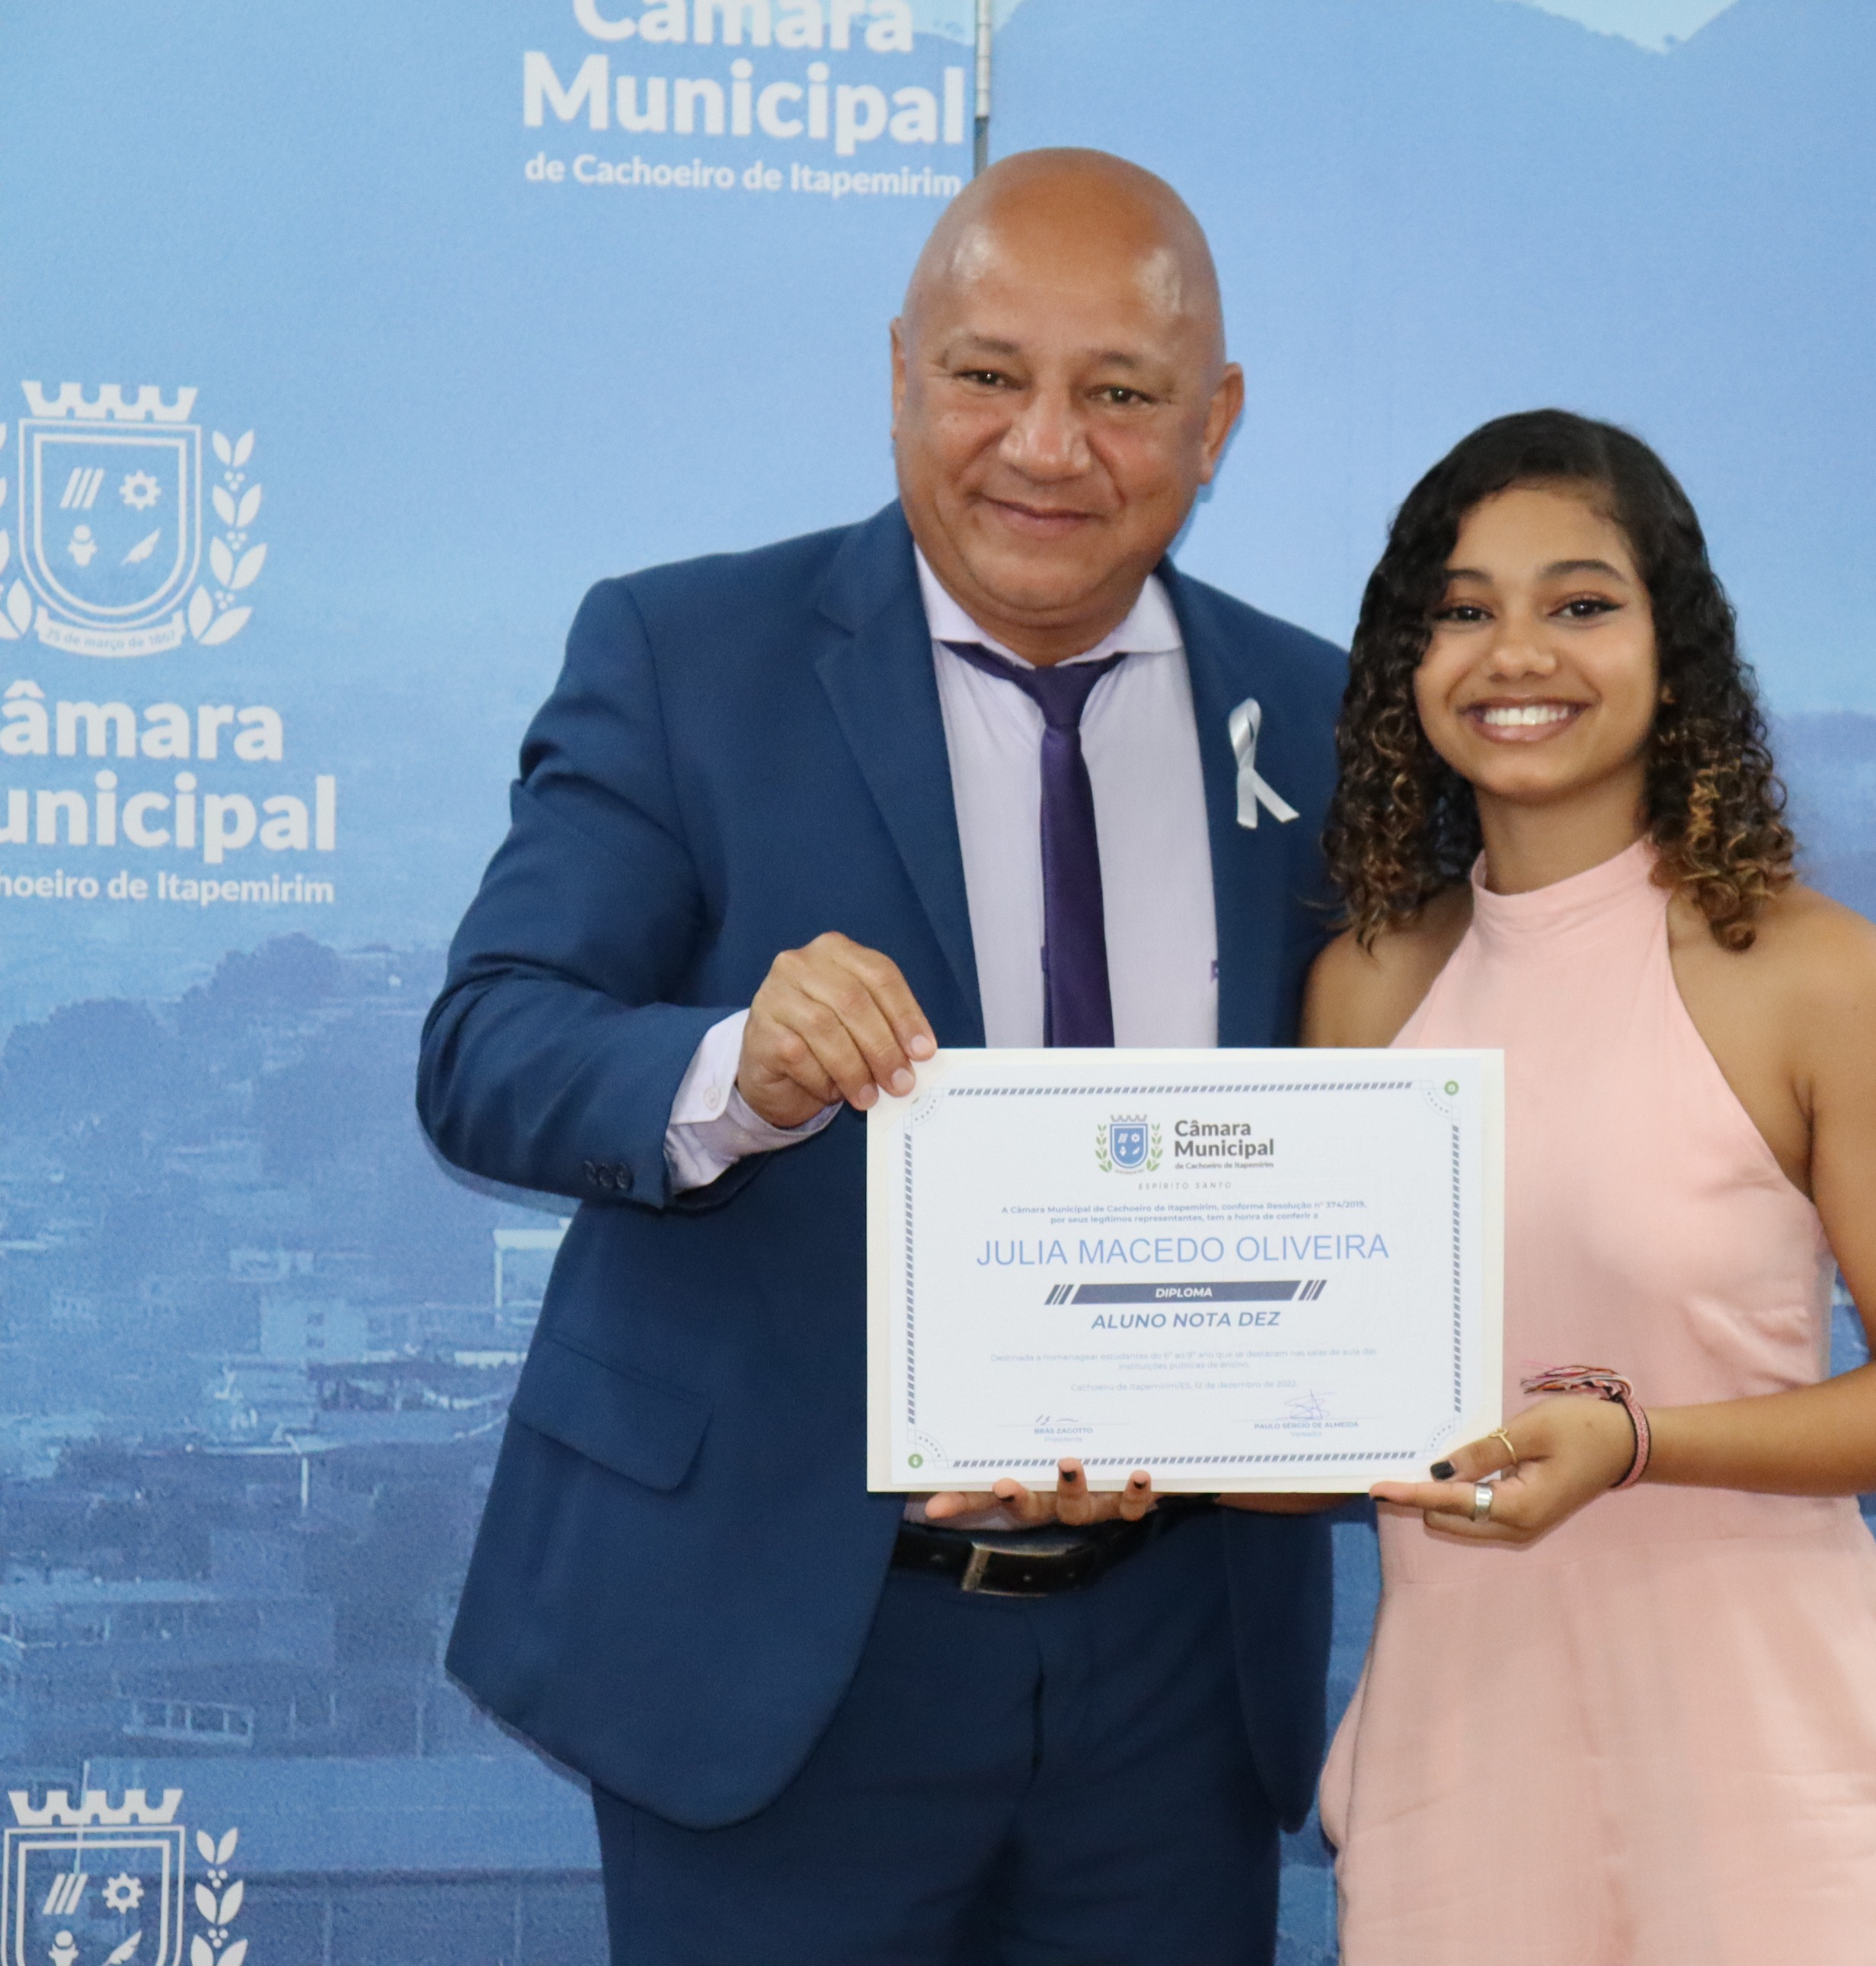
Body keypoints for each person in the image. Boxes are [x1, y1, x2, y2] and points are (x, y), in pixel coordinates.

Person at [418, 150, 1344, 1966]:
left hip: (1178, 1676)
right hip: (772, 1650)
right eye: (988, 375)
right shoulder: (686, 654)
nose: (1046, 447)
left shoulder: (1324, 716)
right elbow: (489, 1041)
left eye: (1120, 393)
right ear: (902, 372)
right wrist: (731, 1073)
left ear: (1217, 420)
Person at [1308, 410, 1876, 1964]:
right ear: (1407, 662)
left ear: (1672, 650)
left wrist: (1635, 1444)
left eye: (1579, 602)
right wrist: (1096, 1452)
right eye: (1462, 609)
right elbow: (1326, 1411)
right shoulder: (1365, 987)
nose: (1516, 653)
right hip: (1460, 1789)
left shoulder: (1818, 976)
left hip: (1772, 1790)